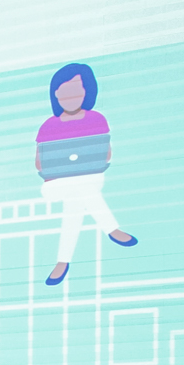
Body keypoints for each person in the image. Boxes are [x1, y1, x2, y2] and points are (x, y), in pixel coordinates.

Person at [34, 62, 136, 286]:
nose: (70, 96)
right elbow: (40, 162)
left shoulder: (96, 120)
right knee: (80, 193)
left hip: (90, 178)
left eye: (76, 90)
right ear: (56, 94)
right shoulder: (48, 126)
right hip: (56, 184)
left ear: (86, 92)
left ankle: (62, 262)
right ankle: (112, 229)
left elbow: (106, 154)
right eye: (64, 91)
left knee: (76, 200)